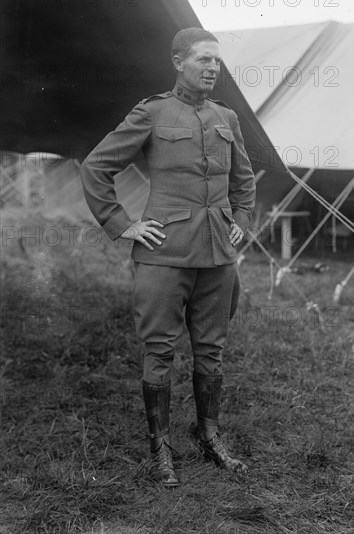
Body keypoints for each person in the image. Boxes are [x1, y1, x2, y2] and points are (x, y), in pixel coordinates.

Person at [80, 28, 256, 487]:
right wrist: (123, 224)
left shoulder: (227, 116)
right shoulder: (153, 111)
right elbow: (96, 166)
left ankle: (208, 432)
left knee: (211, 350)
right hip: (164, 254)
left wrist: (241, 216)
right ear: (179, 62)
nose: (212, 67)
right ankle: (161, 447)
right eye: (202, 59)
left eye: (216, 60)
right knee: (159, 351)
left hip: (218, 255)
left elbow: (245, 177)